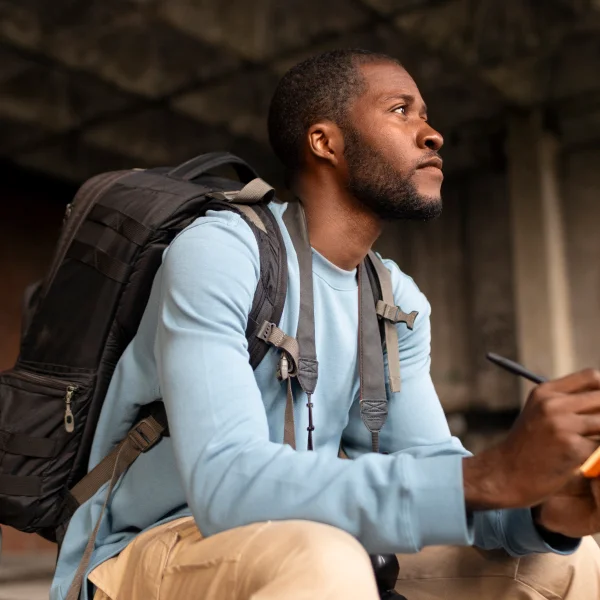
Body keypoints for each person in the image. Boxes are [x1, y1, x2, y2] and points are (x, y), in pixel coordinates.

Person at [51, 49, 600, 600]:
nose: (431, 134)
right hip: (152, 546)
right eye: (401, 110)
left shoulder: (393, 298)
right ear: (324, 142)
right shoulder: (221, 250)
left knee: (566, 564)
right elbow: (225, 485)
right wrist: (489, 475)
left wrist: (544, 509)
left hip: (301, 536)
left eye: (426, 114)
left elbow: (435, 470)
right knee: (326, 558)